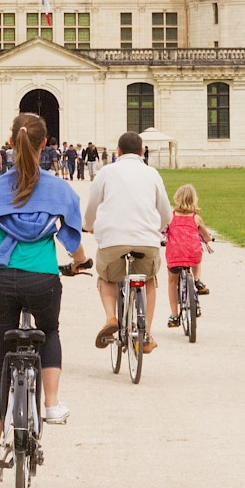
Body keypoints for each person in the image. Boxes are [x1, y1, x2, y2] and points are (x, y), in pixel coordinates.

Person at [0, 111, 88, 487]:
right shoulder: (59, 190)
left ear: (11, 143)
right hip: (43, 279)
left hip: (2, 280)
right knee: (50, 331)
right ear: (46, 144)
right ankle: (52, 404)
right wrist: (81, 262)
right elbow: (73, 240)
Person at [84, 130, 173, 352]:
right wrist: (155, 229)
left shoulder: (107, 172)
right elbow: (166, 213)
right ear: (142, 151)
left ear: (118, 151)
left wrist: (89, 225)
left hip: (113, 240)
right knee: (149, 279)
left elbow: (92, 207)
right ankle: (146, 335)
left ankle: (111, 318)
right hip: (146, 240)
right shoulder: (152, 173)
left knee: (106, 277)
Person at [162, 183, 215, 326]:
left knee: (172, 282)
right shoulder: (196, 218)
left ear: (177, 199)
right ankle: (197, 280)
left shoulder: (171, 217)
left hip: (175, 255)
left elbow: (163, 231)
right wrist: (210, 238)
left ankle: (174, 316)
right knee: (196, 255)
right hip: (192, 254)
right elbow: (206, 236)